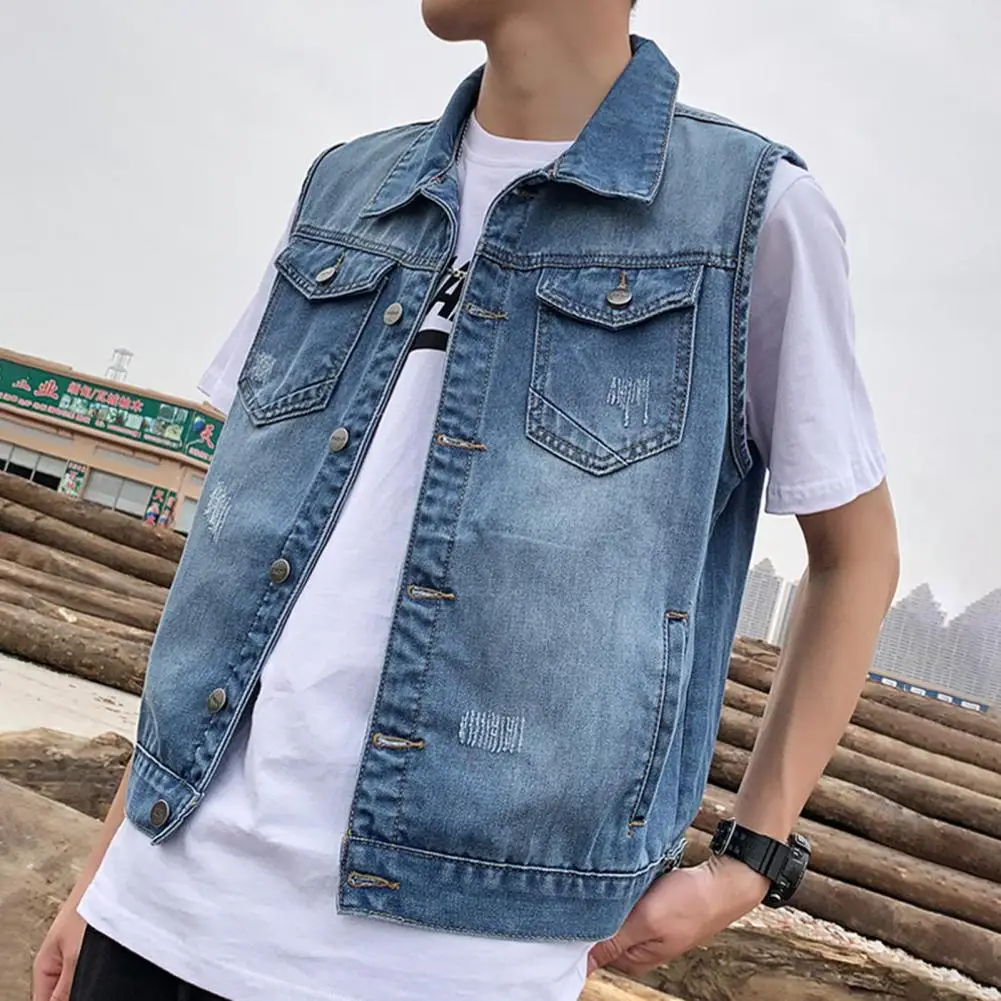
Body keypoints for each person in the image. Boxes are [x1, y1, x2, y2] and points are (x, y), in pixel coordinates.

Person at [35, 1, 900, 999]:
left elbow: (855, 556)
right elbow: (231, 585)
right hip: (155, 912)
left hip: (450, 959)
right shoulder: (347, 189)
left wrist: (749, 857)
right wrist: (108, 862)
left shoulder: (747, 214)